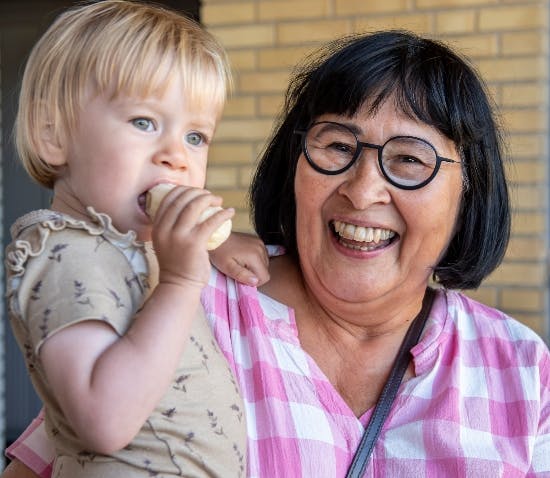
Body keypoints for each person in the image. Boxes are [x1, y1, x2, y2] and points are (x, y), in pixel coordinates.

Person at [5, 29, 550, 478]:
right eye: (337, 146)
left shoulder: (522, 370)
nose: (362, 192)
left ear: (468, 191)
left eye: (410, 160)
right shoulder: (183, 297)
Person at [3, 1, 270, 477]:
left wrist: (212, 243)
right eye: (144, 122)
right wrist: (182, 281)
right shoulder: (62, 251)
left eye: (196, 137)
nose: (176, 157)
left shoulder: (123, 246)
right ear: (53, 136)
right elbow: (104, 420)